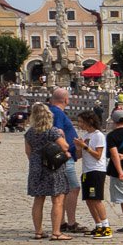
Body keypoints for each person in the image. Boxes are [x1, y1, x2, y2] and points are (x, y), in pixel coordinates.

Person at [24, 102, 74, 240]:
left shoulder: (30, 133)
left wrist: (36, 162)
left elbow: (28, 152)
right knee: (57, 200)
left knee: (38, 200)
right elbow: (65, 147)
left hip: (36, 168)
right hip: (53, 168)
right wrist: (63, 136)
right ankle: (56, 232)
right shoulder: (52, 131)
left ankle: (38, 231)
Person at [48, 87, 86, 234]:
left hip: (63, 157)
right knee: (73, 188)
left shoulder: (53, 111)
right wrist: (65, 150)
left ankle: (62, 222)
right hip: (64, 158)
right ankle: (70, 222)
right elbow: (57, 133)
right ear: (66, 100)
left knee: (64, 190)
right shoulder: (58, 113)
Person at [74, 111, 112, 237]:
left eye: (81, 121)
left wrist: (84, 146)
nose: (79, 124)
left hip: (96, 171)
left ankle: (106, 226)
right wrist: (78, 148)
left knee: (96, 199)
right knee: (89, 200)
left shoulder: (98, 135)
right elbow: (79, 156)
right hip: (86, 171)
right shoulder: (86, 135)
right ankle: (98, 225)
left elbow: (98, 155)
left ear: (89, 121)